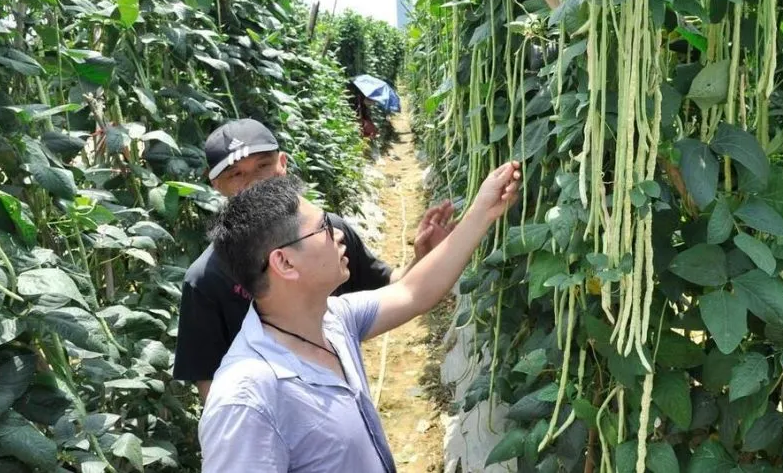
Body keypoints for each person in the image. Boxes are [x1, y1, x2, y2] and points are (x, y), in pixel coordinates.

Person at [198, 162, 521, 472]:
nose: (338, 233)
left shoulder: (334, 320)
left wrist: (484, 210)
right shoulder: (246, 399)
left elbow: (413, 292)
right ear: (285, 263)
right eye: (323, 228)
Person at [172, 118, 456, 403]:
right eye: (236, 175)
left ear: (282, 164)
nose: (254, 183)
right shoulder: (205, 280)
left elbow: (395, 289)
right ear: (215, 184)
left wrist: (423, 258)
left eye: (263, 166)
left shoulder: (329, 235)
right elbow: (211, 386)